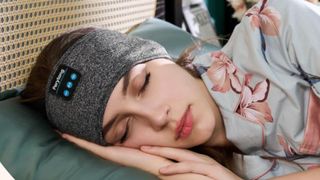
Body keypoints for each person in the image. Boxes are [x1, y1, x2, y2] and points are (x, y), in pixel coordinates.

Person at [20, 0, 320, 179]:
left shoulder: (276, 26)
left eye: (143, 84)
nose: (157, 118)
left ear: (158, 53)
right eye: (124, 130)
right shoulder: (205, 171)